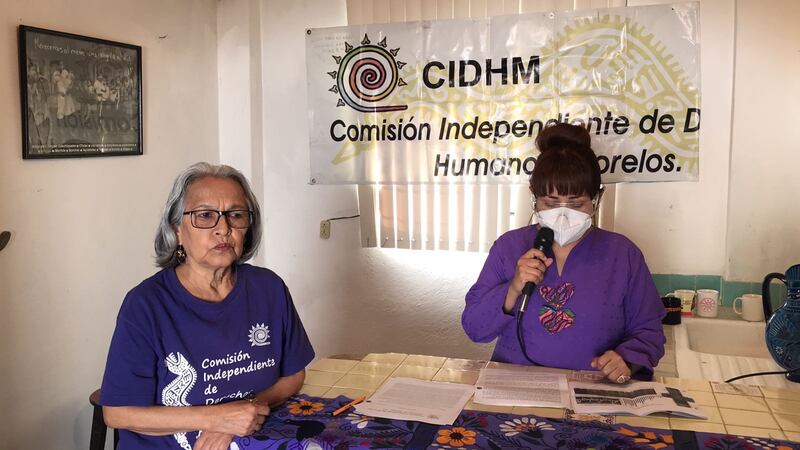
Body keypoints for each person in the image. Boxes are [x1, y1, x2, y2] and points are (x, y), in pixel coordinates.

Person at [100, 163, 315, 450]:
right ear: (177, 230)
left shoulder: (269, 288)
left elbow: (294, 374)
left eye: (235, 215)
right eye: (205, 216)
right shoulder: (145, 305)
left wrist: (248, 410)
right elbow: (117, 413)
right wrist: (217, 419)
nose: (223, 229)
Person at [462, 123, 665, 383]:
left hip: (593, 389)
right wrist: (513, 289)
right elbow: (474, 328)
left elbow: (650, 332)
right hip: (516, 387)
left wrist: (626, 359)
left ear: (597, 199)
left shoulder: (623, 254)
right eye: (550, 203)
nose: (562, 215)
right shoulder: (508, 247)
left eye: (576, 204)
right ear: (534, 197)